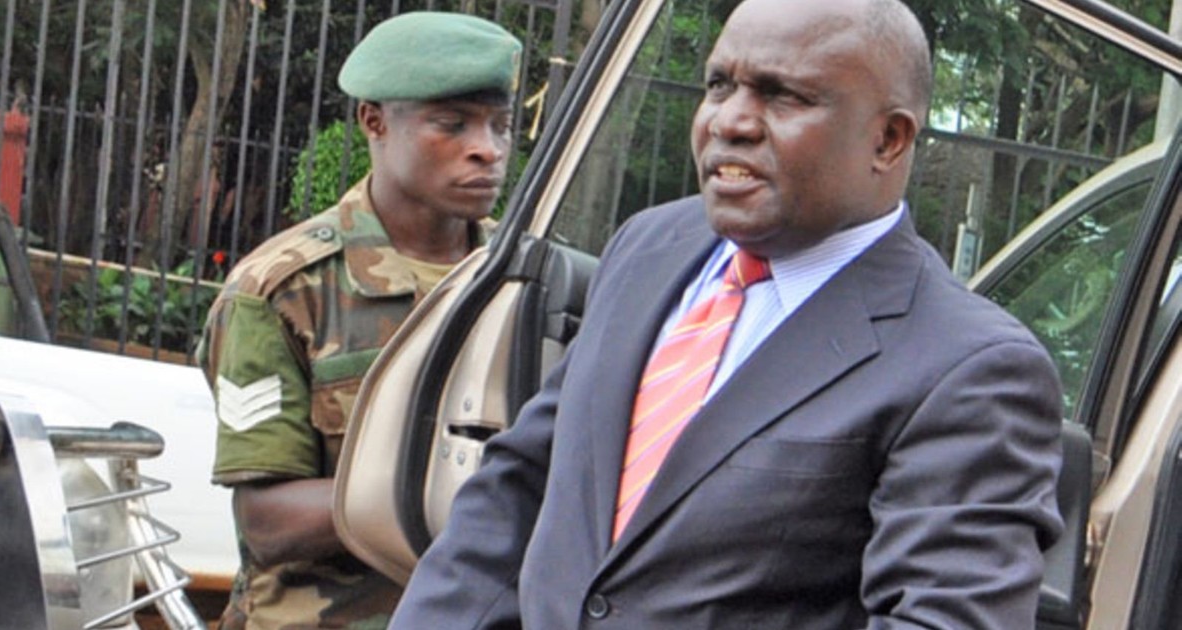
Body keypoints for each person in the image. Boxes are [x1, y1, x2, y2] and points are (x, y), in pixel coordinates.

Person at [390, 0, 1065, 627]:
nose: (730, 122)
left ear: (887, 140)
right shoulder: (649, 246)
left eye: (784, 95)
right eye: (719, 86)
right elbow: (520, 490)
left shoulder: (969, 368)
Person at [197, 12, 521, 629]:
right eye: (452, 123)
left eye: (501, 125)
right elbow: (269, 523)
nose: (489, 148)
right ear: (374, 121)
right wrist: (460, 489)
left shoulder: (523, 280)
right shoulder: (284, 290)